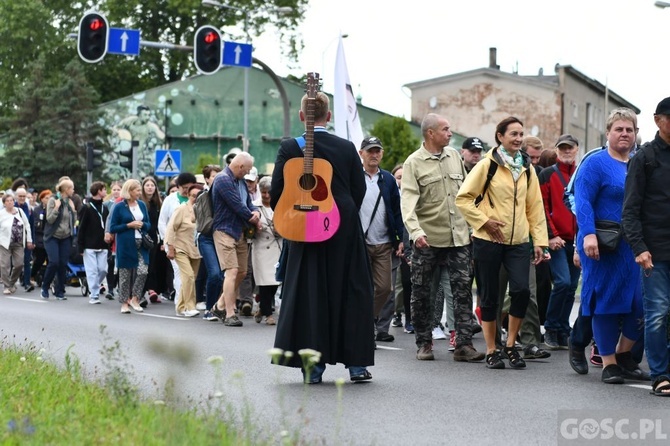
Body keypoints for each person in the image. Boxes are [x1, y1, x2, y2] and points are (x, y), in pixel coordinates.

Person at [270, 90, 375, 383]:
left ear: (302, 116)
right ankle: (356, 365)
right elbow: (359, 189)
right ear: (328, 117)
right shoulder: (347, 147)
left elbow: (278, 191)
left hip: (305, 227)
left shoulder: (290, 147)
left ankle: (313, 368)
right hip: (342, 225)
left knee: (310, 295)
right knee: (351, 292)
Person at [455, 116, 548, 370]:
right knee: (489, 296)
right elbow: (463, 198)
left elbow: (535, 207)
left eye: (521, 134)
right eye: (513, 134)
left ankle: (511, 345)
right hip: (488, 240)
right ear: (500, 137)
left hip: (518, 241)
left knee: (521, 292)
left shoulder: (527, 168)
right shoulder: (488, 165)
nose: (518, 139)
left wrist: (540, 241)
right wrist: (484, 222)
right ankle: (492, 349)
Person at [402, 113, 484, 363]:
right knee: (422, 293)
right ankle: (424, 343)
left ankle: (463, 344)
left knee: (462, 292)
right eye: (446, 129)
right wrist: (416, 233)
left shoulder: (454, 158)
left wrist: (473, 226)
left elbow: (465, 195)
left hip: (458, 237)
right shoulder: (413, 163)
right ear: (430, 133)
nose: (450, 133)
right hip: (428, 238)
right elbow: (407, 203)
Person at [574, 107, 647, 384]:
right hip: (601, 245)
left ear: (636, 133)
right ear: (608, 133)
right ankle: (608, 363)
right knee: (606, 302)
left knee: (639, 304)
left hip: (634, 245)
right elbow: (583, 202)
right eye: (619, 129)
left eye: (629, 129)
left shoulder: (639, 163)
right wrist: (588, 235)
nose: (625, 134)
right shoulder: (595, 162)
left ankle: (623, 355)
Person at [622, 97, 670, 394]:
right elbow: (630, 209)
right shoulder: (646, 157)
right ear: (658, 120)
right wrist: (639, 247)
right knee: (658, 313)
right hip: (655, 251)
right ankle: (661, 374)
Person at [358, 136, 404, 343]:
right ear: (361, 154)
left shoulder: (388, 179)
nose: (374, 154)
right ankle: (364, 328)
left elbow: (397, 209)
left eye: (377, 151)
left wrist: (401, 238)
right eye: (370, 151)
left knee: (385, 288)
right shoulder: (354, 177)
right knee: (361, 287)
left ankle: (366, 320)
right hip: (359, 244)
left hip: (384, 243)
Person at [210, 152, 260, 327]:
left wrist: (256, 212)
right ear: (239, 167)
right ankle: (230, 313)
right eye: (245, 171)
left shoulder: (240, 181)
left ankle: (219, 305)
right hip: (224, 230)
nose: (246, 174)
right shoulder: (223, 179)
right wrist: (254, 219)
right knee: (231, 272)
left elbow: (248, 203)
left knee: (242, 272)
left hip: (239, 231)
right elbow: (237, 205)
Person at [539, 134, 580, 350]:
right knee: (562, 282)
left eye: (570, 148)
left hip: (577, 239)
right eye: (562, 148)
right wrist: (551, 234)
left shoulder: (581, 173)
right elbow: (542, 206)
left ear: (576, 150)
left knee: (572, 286)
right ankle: (552, 327)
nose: (566, 151)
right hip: (557, 239)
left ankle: (563, 327)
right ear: (556, 151)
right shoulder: (547, 174)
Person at [109, 179, 151, 314]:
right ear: (130, 191)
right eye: (137, 190)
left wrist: (142, 225)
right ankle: (124, 303)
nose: (140, 192)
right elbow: (113, 227)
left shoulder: (142, 205)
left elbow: (148, 224)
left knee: (143, 271)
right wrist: (129, 225)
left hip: (141, 243)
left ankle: (135, 298)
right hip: (126, 244)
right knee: (125, 275)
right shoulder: (119, 206)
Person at [158, 172, 197, 309]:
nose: (187, 190)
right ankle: (182, 304)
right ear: (178, 186)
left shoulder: (195, 200)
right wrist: (167, 242)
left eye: (190, 187)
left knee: (191, 274)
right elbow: (163, 223)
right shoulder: (170, 200)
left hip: (192, 244)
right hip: (175, 243)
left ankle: (184, 302)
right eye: (184, 187)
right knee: (181, 272)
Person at [165, 184, 203, 317]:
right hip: (179, 248)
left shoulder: (202, 211)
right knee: (188, 276)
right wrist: (170, 247)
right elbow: (171, 228)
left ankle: (180, 307)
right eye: (193, 196)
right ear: (188, 195)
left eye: (199, 196)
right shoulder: (181, 209)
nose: (195, 198)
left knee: (192, 278)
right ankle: (189, 307)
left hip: (196, 250)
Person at [251, 176, 282, 325]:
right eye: (263, 192)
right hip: (261, 247)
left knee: (275, 281)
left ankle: (262, 307)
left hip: (278, 247)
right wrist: (254, 228)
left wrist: (282, 230)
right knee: (264, 283)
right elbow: (247, 230)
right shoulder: (254, 206)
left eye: (269, 192)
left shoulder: (282, 204)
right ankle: (268, 314)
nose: (267, 196)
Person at [196, 164, 224, 321]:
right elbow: (203, 223)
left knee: (221, 275)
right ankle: (209, 309)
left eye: (219, 176)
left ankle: (215, 307)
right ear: (206, 179)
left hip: (222, 236)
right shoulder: (203, 196)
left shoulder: (226, 193)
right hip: (207, 238)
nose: (217, 179)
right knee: (214, 273)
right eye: (214, 176)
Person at [41, 178, 77, 300]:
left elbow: (73, 222)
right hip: (53, 237)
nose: (73, 190)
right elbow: (50, 219)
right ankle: (45, 287)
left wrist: (74, 211)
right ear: (66, 189)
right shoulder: (53, 200)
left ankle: (59, 291)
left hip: (65, 237)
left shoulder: (69, 202)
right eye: (72, 188)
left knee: (63, 264)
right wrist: (56, 208)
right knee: (54, 262)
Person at [76, 181, 109, 305]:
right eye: (104, 189)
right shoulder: (87, 207)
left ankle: (91, 284)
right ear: (99, 191)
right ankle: (94, 294)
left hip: (103, 243)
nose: (106, 192)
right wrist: (80, 246)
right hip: (89, 244)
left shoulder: (105, 207)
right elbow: (82, 227)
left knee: (103, 269)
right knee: (92, 271)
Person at [0, 194, 33, 294]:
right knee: (5, 265)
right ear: (4, 203)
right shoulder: (1, 214)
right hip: (5, 243)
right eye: (7, 201)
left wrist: (29, 240)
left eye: (11, 200)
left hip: (18, 242)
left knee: (19, 264)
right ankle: (6, 286)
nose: (10, 202)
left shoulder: (19, 211)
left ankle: (11, 283)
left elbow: (27, 225)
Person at [141, 176, 165, 304]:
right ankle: (140, 293)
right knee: (142, 265)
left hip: (154, 238)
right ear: (143, 187)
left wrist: (162, 240)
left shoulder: (158, 203)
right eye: (147, 185)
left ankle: (151, 289)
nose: (150, 188)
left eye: (152, 185)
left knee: (152, 265)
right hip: (141, 237)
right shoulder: (140, 202)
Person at [13, 187, 34, 292]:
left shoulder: (29, 208)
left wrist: (32, 240)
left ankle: (27, 283)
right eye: (20, 196)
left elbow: (31, 225)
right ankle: (11, 281)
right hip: (14, 239)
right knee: (16, 262)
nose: (22, 198)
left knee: (26, 261)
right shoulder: (11, 207)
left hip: (26, 238)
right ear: (16, 196)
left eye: (23, 196)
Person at [30, 190, 51, 287]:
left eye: (50, 198)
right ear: (42, 199)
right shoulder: (36, 210)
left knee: (51, 260)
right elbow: (35, 224)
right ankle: (32, 275)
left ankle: (48, 279)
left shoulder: (52, 209)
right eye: (46, 198)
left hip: (50, 237)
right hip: (40, 237)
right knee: (40, 259)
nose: (48, 200)